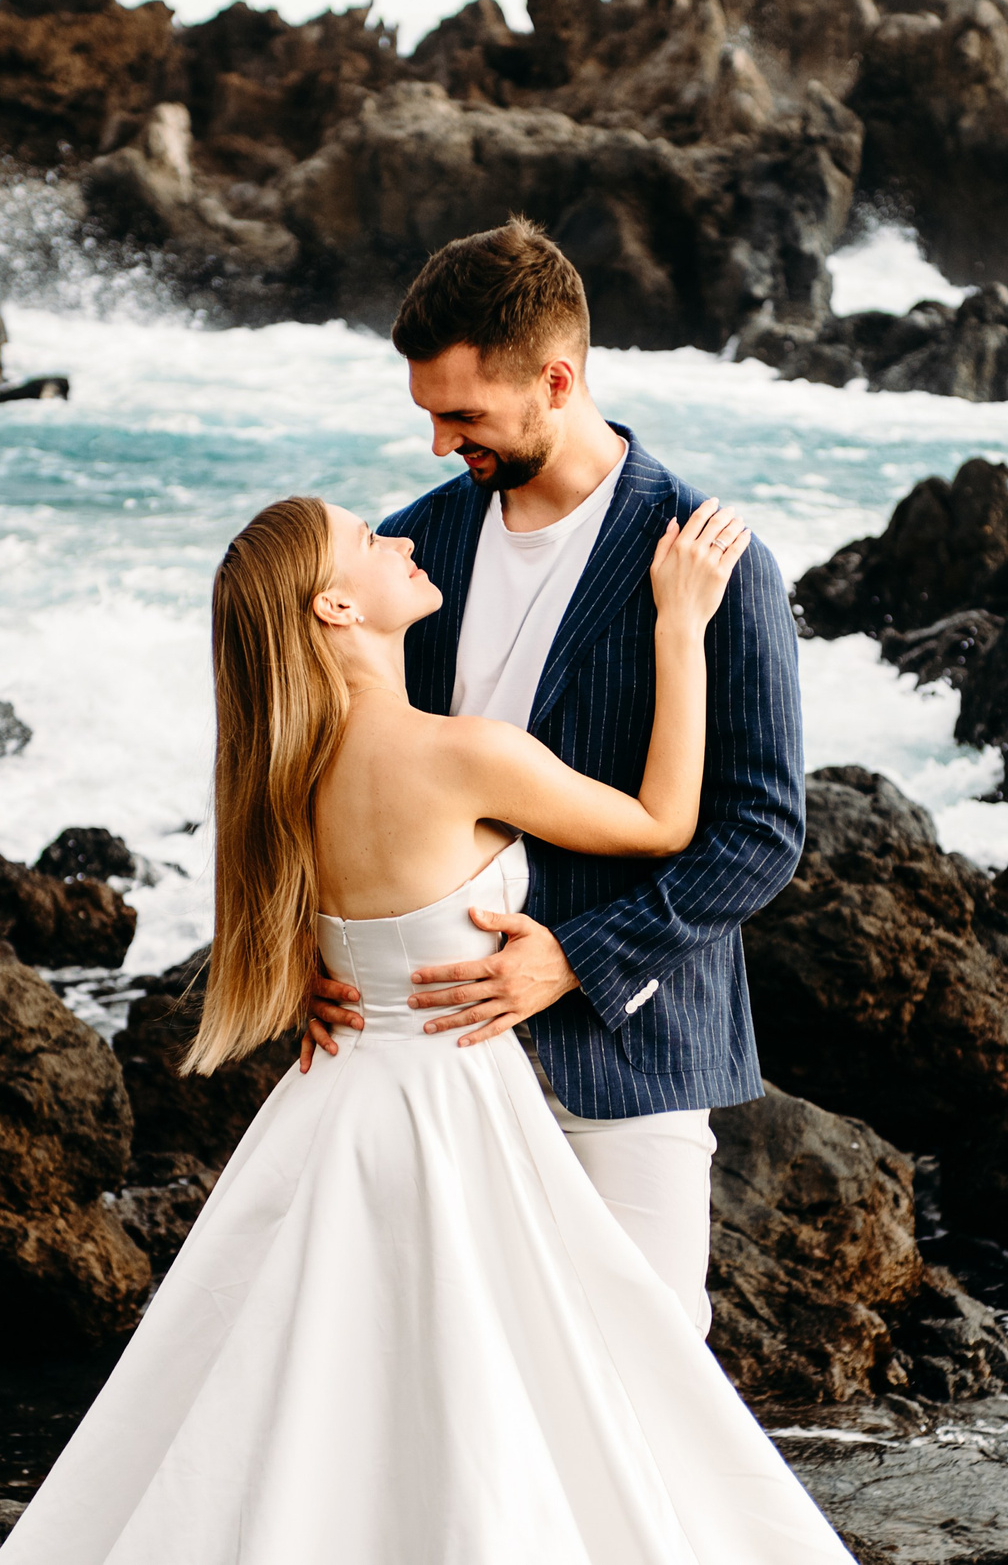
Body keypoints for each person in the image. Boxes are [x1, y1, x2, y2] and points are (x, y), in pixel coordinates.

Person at [0, 491, 847, 1557]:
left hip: (339, 1096)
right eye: (366, 541)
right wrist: (680, 623)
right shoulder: (460, 754)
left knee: (324, 1398)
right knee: (511, 1388)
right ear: (337, 607)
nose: (398, 537)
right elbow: (665, 822)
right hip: (457, 1100)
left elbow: (292, 926)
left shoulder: (285, 773)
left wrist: (322, 971)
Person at [305, 216, 806, 1337]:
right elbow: (328, 771)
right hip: (422, 1057)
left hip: (629, 1049)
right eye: (428, 413)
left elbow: (761, 831)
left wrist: (574, 963)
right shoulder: (406, 548)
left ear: (556, 381)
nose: (440, 443)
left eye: (463, 414)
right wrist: (309, 945)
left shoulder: (710, 559)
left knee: (644, 1375)